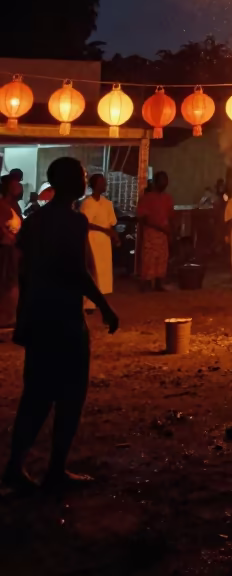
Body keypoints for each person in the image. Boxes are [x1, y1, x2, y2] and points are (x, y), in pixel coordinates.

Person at [2, 157, 119, 493]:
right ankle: (55, 469)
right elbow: (76, 272)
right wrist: (105, 306)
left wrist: (25, 312)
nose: (86, 179)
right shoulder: (73, 221)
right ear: (71, 182)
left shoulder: (35, 220)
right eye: (82, 175)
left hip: (39, 317)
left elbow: (25, 270)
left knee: (35, 396)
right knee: (70, 396)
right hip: (64, 319)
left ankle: (15, 466)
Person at [79, 174, 118, 296]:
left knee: (104, 269)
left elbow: (111, 223)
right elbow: (85, 223)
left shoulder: (107, 203)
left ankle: (101, 295)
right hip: (92, 240)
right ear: (94, 185)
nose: (105, 185)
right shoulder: (87, 203)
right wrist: (105, 230)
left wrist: (113, 235)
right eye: (102, 182)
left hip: (104, 242)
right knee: (93, 268)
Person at [136, 171, 174, 291]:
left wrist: (171, 231)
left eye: (166, 180)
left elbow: (171, 216)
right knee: (149, 258)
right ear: (156, 182)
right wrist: (160, 227)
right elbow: (143, 218)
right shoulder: (147, 198)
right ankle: (146, 283)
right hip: (151, 233)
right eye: (162, 180)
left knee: (162, 258)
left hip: (164, 234)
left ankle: (158, 282)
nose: (165, 183)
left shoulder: (167, 198)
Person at [0, 178, 23, 327]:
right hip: (5, 250)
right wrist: (8, 236)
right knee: (6, 282)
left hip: (14, 249)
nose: (20, 188)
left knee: (13, 281)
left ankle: (10, 317)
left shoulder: (15, 206)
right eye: (16, 186)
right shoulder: (2, 206)